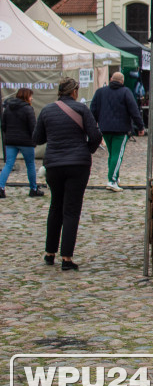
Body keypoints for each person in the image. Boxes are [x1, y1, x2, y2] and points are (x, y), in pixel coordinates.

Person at [33, 77, 102, 270]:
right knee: (71, 209)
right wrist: (86, 150)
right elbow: (96, 135)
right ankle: (67, 257)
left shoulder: (47, 110)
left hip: (54, 163)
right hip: (77, 164)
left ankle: (49, 252)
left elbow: (37, 138)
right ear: (74, 92)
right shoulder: (81, 109)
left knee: (55, 206)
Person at [90, 72, 144, 192]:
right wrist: (140, 126)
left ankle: (115, 176)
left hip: (104, 128)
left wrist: (93, 125)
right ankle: (112, 180)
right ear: (122, 81)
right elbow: (134, 110)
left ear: (111, 79)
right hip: (121, 129)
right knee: (117, 155)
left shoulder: (100, 92)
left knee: (112, 154)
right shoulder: (125, 92)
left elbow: (93, 109)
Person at [1, 87, 40, 197]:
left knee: (8, 165)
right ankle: (33, 189)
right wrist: (35, 139)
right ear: (26, 96)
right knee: (30, 165)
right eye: (31, 96)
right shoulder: (28, 109)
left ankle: (0, 187)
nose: (32, 98)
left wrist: (8, 134)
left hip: (10, 141)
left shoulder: (8, 108)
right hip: (26, 141)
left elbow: (3, 125)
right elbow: (33, 127)